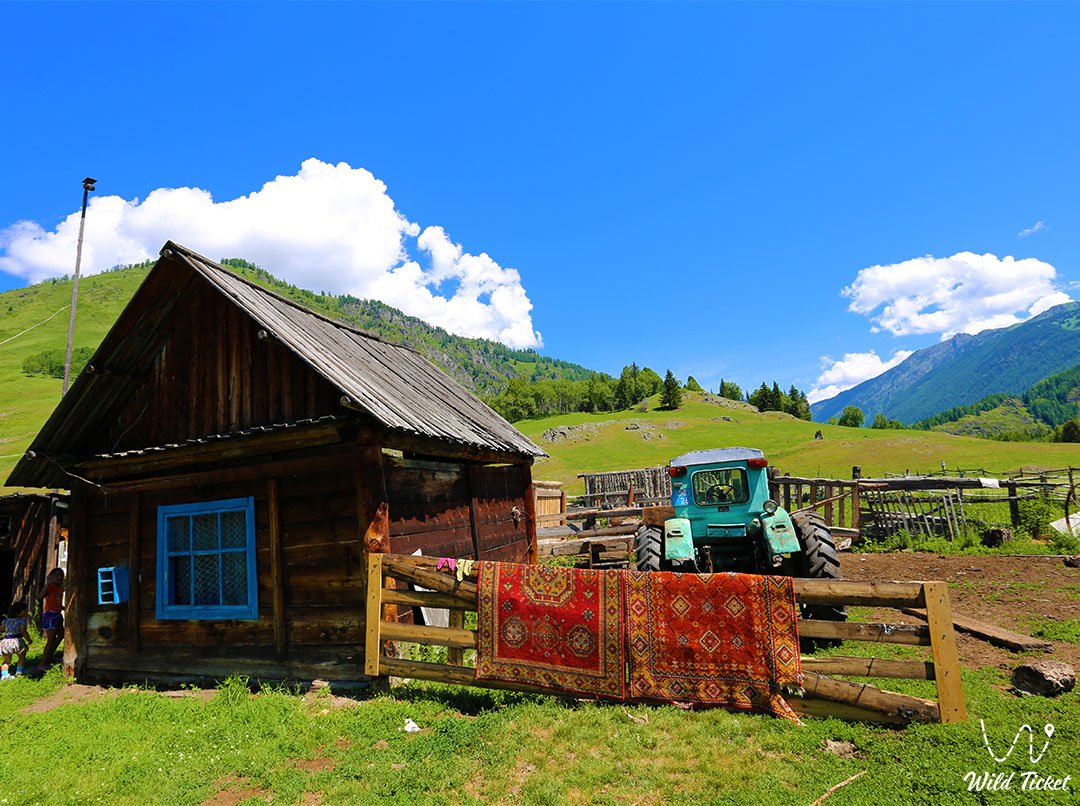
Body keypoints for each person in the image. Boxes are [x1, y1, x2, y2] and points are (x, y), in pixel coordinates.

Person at [38, 568, 65, 667]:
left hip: (58, 614)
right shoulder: (51, 587)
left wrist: (62, 607)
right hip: (50, 615)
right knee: (51, 640)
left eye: (61, 575)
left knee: (61, 635)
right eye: (57, 575)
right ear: (52, 577)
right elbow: (40, 597)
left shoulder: (60, 588)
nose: (59, 577)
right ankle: (42, 664)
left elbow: (56, 601)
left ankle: (49, 657)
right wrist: (47, 584)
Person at [1, 601, 32, 679]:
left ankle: (4, 676)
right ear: (18, 612)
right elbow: (23, 632)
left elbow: (1, 629)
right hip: (17, 642)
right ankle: (19, 672)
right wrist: (29, 640)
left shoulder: (6, 621)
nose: (26, 612)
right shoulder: (21, 621)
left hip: (6, 642)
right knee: (21, 656)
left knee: (6, 660)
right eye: (24, 610)